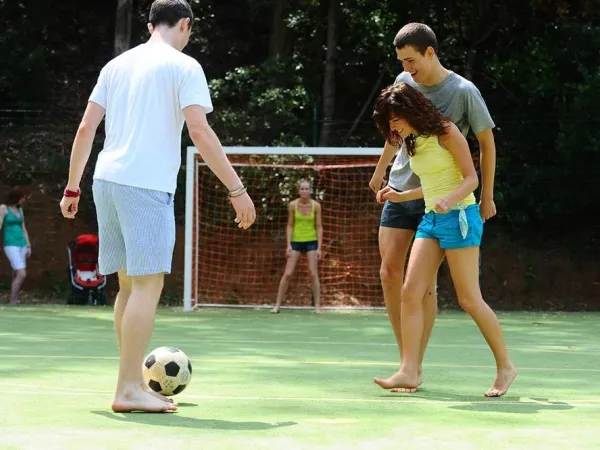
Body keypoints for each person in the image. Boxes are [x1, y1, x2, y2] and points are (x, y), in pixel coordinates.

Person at [59, 0, 256, 413]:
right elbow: (199, 131)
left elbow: (85, 128)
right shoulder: (184, 67)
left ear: (150, 25)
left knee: (128, 286)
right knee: (148, 286)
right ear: (184, 24)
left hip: (105, 181)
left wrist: (72, 187)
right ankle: (128, 388)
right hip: (145, 185)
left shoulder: (115, 66)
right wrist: (237, 190)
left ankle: (130, 382)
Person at [370, 23, 498, 392]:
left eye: (411, 60)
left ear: (430, 52)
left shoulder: (463, 92)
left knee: (422, 287)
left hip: (440, 197)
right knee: (389, 274)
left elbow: (486, 145)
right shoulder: (404, 81)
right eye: (401, 62)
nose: (406, 68)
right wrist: (380, 173)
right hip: (402, 189)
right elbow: (394, 136)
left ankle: (415, 364)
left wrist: (487, 195)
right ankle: (406, 362)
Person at [271, 180, 323, 314]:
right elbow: (289, 225)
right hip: (296, 241)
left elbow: (319, 227)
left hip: (311, 241)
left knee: (313, 273)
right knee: (288, 273)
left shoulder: (316, 206)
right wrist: (288, 245)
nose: (304, 191)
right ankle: (277, 305)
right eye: (302, 189)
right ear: (298, 190)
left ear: (311, 190)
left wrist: (319, 247)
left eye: (307, 189)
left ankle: (317, 306)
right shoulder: (292, 205)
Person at [0, 186, 32, 305]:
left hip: (22, 243)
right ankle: (13, 300)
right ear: (16, 197)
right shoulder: (4, 208)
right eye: (22, 197)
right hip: (10, 243)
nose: (23, 200)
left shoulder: (20, 210)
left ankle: (15, 299)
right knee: (21, 273)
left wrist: (28, 246)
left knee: (16, 272)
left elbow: (24, 229)